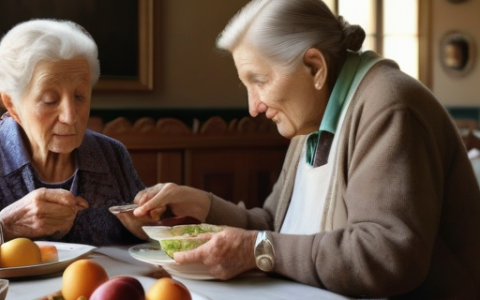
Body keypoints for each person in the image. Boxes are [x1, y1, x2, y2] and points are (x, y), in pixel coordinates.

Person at [134, 0, 480, 299]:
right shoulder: (311, 118)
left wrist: (255, 250)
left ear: (315, 67)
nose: (253, 106)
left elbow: (387, 255)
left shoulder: (389, 105)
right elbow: (276, 227)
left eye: (260, 80)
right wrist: (204, 206)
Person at [0, 19, 157, 246]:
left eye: (80, 97)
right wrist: (7, 226)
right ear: (13, 105)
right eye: (49, 100)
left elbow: (148, 237)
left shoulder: (111, 155)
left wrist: (150, 229)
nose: (70, 117)